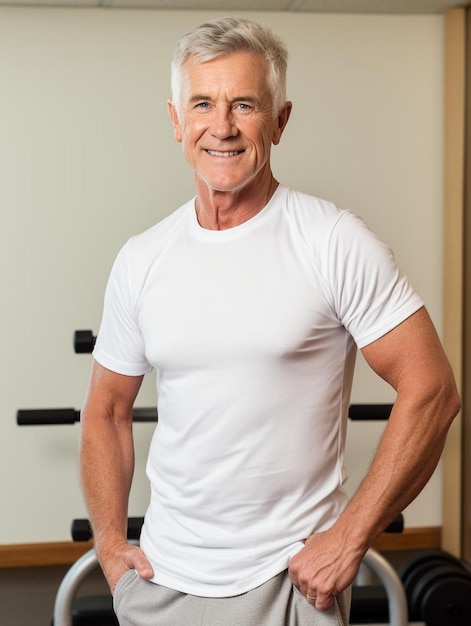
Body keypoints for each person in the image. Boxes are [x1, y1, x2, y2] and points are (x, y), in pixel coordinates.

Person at [79, 16, 460, 626]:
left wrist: (349, 536)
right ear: (177, 121)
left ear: (280, 120)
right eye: (202, 103)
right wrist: (109, 545)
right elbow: (106, 410)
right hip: (160, 584)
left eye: (245, 104)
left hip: (290, 585)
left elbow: (434, 390)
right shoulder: (142, 258)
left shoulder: (333, 241)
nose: (222, 126)